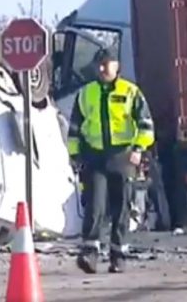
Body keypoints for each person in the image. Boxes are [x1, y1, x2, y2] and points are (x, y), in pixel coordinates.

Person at [66, 48, 156, 274]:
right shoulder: (86, 93)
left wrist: (138, 149)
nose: (103, 68)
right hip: (95, 157)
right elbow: (75, 129)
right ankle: (90, 254)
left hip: (123, 157)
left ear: (117, 67)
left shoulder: (131, 92)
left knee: (122, 208)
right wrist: (75, 156)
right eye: (100, 64)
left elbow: (146, 125)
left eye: (107, 64)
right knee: (94, 206)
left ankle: (118, 255)